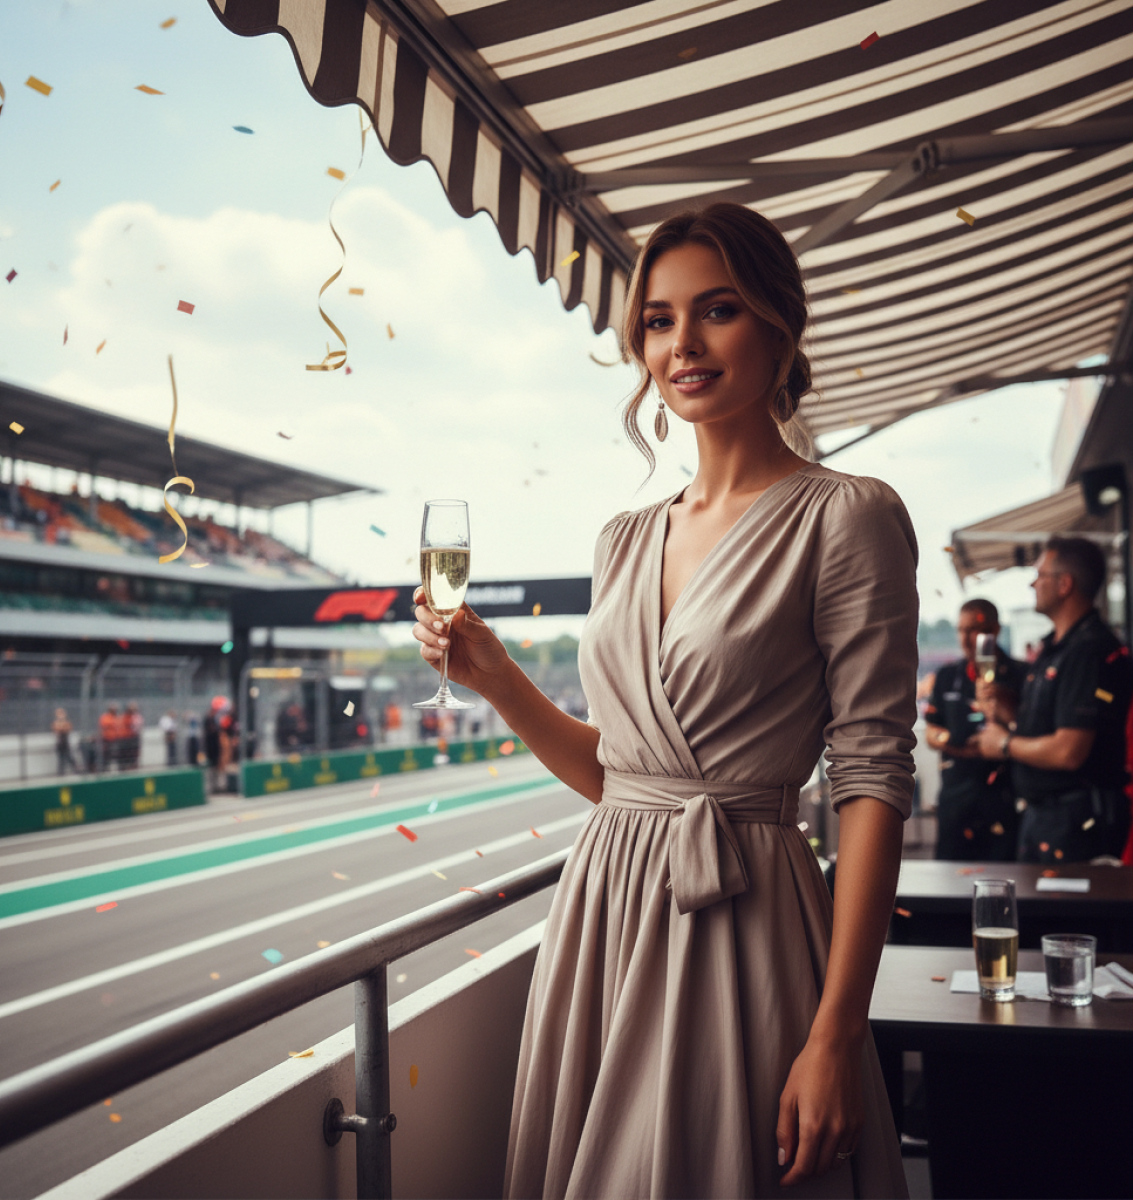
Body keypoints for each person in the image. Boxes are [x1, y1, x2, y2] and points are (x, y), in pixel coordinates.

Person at [413, 203, 914, 1197]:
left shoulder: (849, 515)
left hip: (750, 914)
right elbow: (622, 777)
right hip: (605, 907)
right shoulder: (623, 536)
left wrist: (838, 1030)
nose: (682, 344)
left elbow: (871, 781)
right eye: (658, 319)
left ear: (781, 323)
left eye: (718, 310)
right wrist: (496, 678)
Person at [976, 537, 1133, 863]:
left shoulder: (1088, 651)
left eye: (1040, 575)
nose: (1033, 583)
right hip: (1046, 818)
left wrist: (1004, 744)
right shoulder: (1054, 648)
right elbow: (1048, 728)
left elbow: (1068, 751)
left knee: (1062, 915)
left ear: (1064, 584)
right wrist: (1011, 713)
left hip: (1076, 824)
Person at [924, 600, 1020, 860]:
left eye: (975, 630)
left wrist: (1003, 708)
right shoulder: (946, 675)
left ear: (995, 630)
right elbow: (931, 731)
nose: (966, 639)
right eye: (961, 630)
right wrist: (956, 744)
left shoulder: (1020, 674)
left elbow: (1030, 729)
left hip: (1004, 801)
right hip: (956, 800)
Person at [52, 707, 77, 775]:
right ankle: (60, 773)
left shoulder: (67, 722)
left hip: (66, 743)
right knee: (61, 759)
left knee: (70, 758)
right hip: (60, 743)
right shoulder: (56, 723)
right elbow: (56, 729)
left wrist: (62, 726)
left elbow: (68, 729)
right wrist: (61, 727)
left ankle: (76, 770)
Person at [98, 703, 121, 771]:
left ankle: (118, 767)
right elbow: (104, 725)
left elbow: (119, 725)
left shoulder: (117, 717)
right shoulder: (105, 717)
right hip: (107, 739)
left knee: (116, 754)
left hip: (116, 739)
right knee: (106, 755)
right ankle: (105, 767)